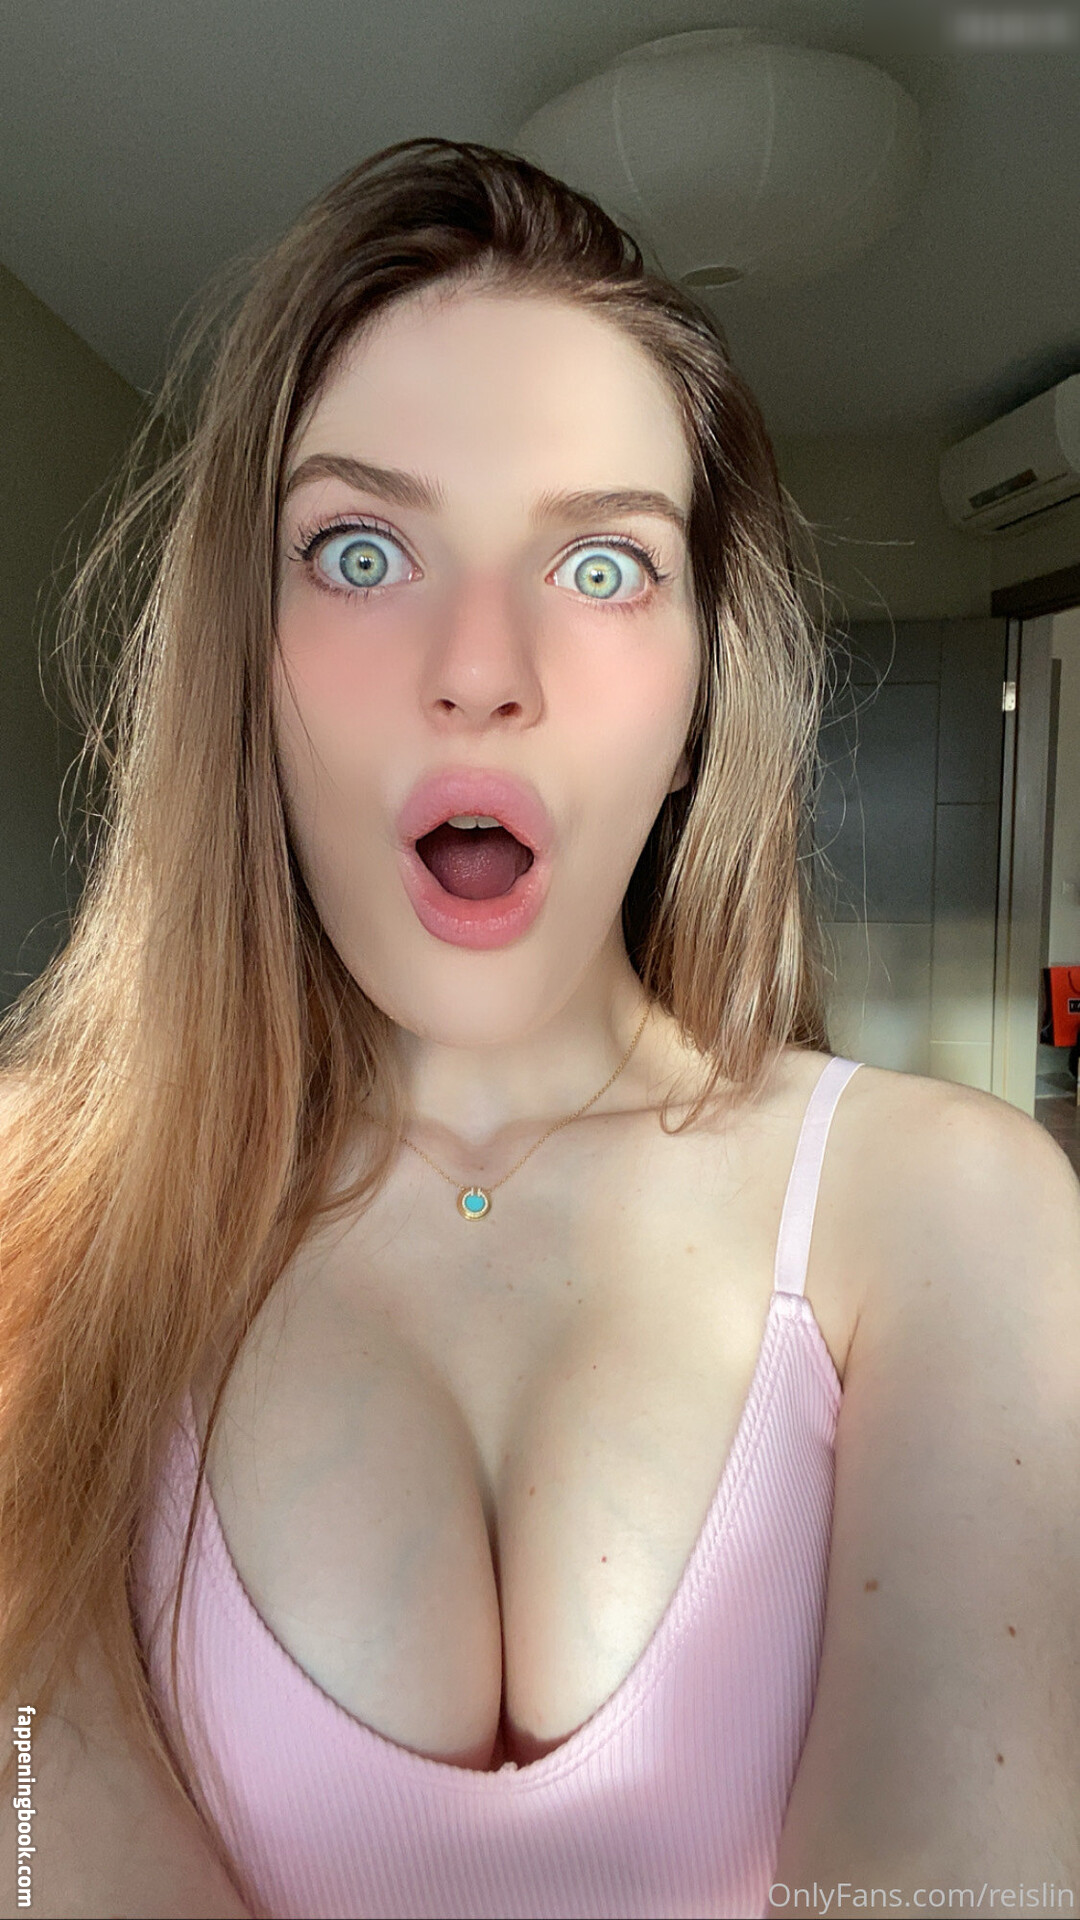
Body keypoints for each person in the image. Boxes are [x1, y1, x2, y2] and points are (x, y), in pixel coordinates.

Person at [0, 139, 1076, 1920]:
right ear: (242, 662)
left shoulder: (953, 1207)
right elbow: (39, 1838)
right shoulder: (36, 1207)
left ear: (701, 693)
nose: (482, 669)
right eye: (361, 550)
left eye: (601, 566)